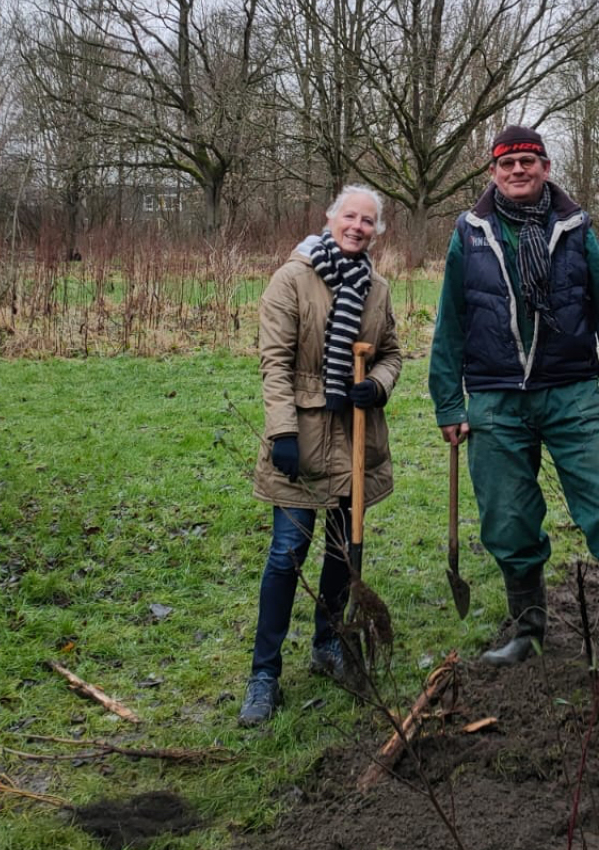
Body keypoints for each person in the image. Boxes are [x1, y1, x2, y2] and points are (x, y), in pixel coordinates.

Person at [427, 125, 599, 704]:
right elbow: (451, 322)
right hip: (494, 398)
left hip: (572, 394)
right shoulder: (471, 233)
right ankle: (529, 632)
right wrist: (448, 401)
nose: (518, 171)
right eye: (507, 164)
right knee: (507, 520)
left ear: (546, 167)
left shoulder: (576, 229)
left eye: (529, 162)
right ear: (492, 172)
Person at [241, 185, 402, 727]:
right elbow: (274, 361)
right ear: (331, 219)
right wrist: (282, 431)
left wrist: (376, 384)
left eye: (368, 221)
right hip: (304, 440)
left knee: (342, 549)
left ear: (377, 232)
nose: (358, 227)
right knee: (287, 553)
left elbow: (393, 352)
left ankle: (328, 643)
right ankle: (264, 674)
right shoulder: (293, 278)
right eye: (350, 216)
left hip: (354, 438)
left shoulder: (377, 288)